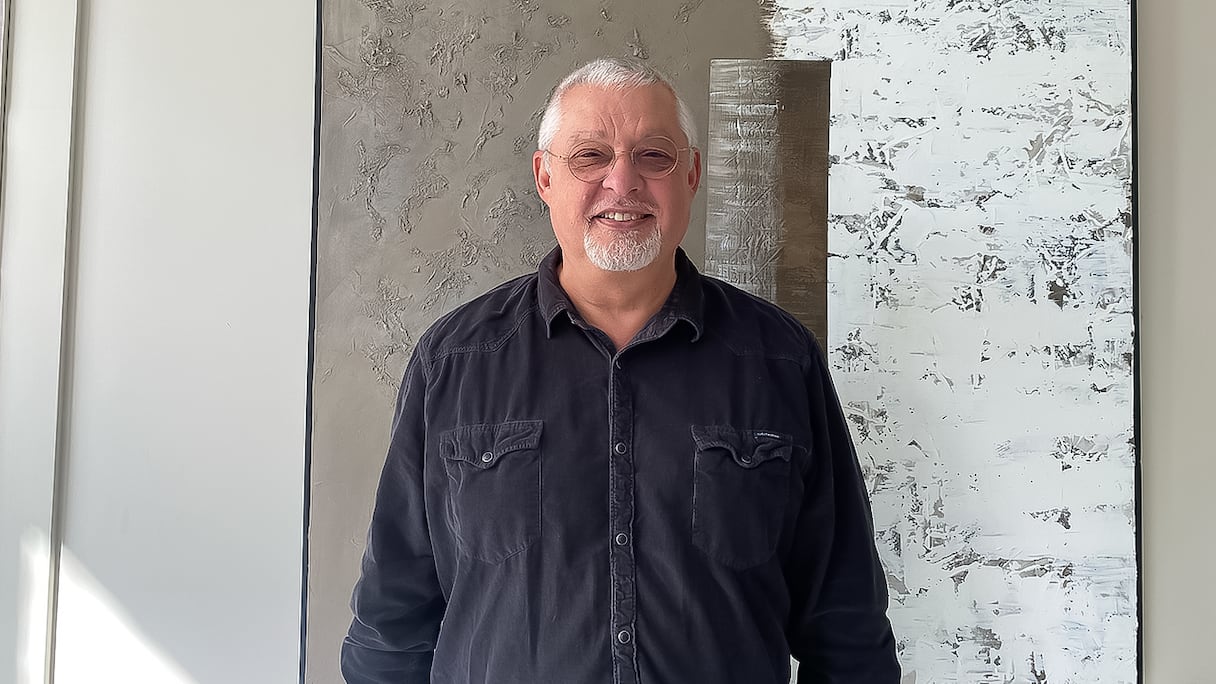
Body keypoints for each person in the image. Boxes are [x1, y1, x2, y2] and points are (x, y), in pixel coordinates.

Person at [341, 57, 899, 683]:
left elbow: (846, 627)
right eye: (590, 156)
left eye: (653, 156)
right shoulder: (455, 362)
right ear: (544, 177)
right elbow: (391, 626)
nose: (622, 182)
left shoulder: (779, 359)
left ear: (691, 175)